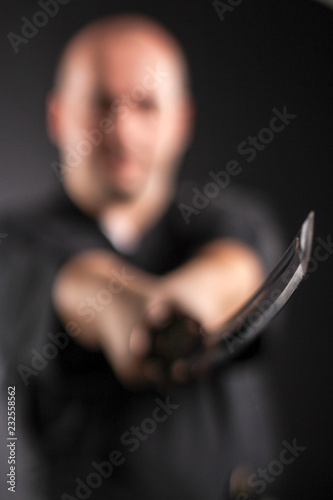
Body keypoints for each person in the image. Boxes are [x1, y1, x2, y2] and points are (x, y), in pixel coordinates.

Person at [0, 14, 283, 500]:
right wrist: (132, 315)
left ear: (183, 120)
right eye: (101, 103)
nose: (123, 129)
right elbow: (80, 285)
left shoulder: (231, 218)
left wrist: (174, 307)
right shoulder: (15, 242)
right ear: (58, 114)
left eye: (147, 105)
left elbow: (235, 270)